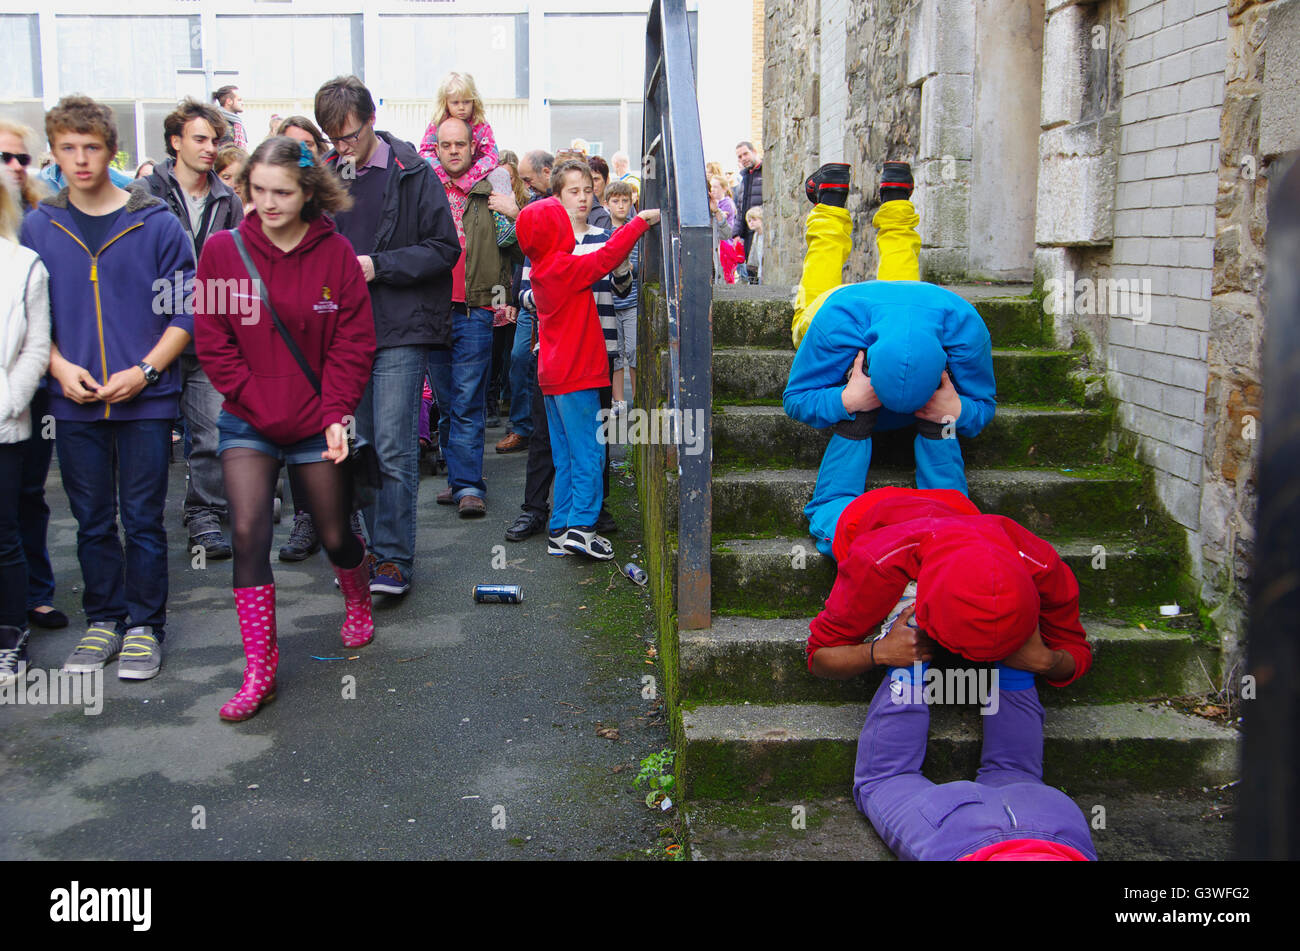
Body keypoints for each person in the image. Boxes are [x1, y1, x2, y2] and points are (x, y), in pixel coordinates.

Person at [195, 136, 375, 722]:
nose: (267, 203)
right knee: (247, 531)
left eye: (282, 193)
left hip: (316, 420)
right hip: (248, 419)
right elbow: (212, 339)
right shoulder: (223, 251)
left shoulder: (336, 254)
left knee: (332, 532)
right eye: (258, 190)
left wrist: (334, 413)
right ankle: (259, 670)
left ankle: (356, 596)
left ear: (308, 194)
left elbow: (354, 341)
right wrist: (253, 400)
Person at [21, 95, 196, 680]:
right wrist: (58, 368)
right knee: (91, 518)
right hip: (71, 404)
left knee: (143, 517)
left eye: (91, 147)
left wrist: (144, 372)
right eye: (68, 148)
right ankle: (104, 618)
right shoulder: (38, 226)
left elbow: (188, 313)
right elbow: (23, 316)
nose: (80, 159)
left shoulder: (157, 223)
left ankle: (146, 625)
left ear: (110, 150)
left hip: (145, 400)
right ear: (53, 153)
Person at [783, 162, 995, 557]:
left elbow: (984, 406)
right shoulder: (834, 323)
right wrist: (846, 402)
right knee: (816, 288)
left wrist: (956, 410)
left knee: (903, 284)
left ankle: (884, 201)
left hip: (915, 315)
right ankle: (831, 205)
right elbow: (795, 398)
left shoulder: (964, 327)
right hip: (841, 314)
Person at [315, 75, 460, 596]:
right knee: (366, 447)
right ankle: (375, 551)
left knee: (397, 448)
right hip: (345, 337)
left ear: (371, 118)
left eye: (350, 135)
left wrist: (379, 266)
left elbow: (444, 249)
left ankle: (394, 560)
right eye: (333, 139)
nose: (343, 147)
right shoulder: (327, 176)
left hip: (400, 328)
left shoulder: (413, 171)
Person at [850, 594, 1097, 861]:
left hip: (1055, 821)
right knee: (886, 779)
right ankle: (1010, 641)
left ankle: (1015, 640)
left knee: (1015, 770)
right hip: (968, 838)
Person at [805, 487, 1091, 683]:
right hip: (865, 512)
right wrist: (877, 652)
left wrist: (1049, 661)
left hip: (957, 508)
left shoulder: (1039, 564)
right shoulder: (876, 563)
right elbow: (819, 656)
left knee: (946, 483)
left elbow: (1076, 648)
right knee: (828, 503)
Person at [514, 183, 657, 560]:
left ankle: (560, 528)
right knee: (591, 452)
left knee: (565, 456)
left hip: (552, 376)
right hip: (578, 374)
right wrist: (640, 221)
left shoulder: (543, 269)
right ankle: (583, 527)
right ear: (555, 232)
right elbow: (608, 256)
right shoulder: (564, 267)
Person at [139, 98, 245, 561]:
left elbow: (243, 268)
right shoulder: (143, 195)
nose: (210, 148)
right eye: (200, 138)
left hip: (209, 336)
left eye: (215, 140)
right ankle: (139, 527)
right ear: (175, 141)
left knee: (210, 433)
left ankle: (203, 514)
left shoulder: (229, 199)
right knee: (145, 438)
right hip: (152, 334)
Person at [427, 116, 521, 518]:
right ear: (437, 147)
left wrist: (516, 212)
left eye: (459, 145)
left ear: (471, 147)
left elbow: (515, 244)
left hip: (476, 307)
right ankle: (457, 479)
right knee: (448, 403)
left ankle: (469, 485)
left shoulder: (490, 188)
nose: (452, 151)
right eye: (445, 144)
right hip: (430, 311)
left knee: (467, 401)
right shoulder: (425, 187)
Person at [0, 120, 64, 632]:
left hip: (36, 378)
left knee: (27, 492)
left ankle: (35, 593)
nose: (17, 167)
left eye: (21, 157)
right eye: (5, 158)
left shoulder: (42, 218)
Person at [0, 170, 52, 684]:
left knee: (6, 531)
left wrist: (7, 403)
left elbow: (37, 344)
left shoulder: (21, 265)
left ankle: (10, 635)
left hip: (6, 421)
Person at [418, 72, 499, 192]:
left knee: (500, 174)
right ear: (445, 102)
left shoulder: (481, 124)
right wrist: (441, 174)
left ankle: (500, 209)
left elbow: (491, 155)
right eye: (455, 103)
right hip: (445, 171)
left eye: (466, 102)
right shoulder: (437, 123)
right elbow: (425, 152)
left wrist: (470, 177)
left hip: (476, 174)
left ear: (474, 101)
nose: (461, 107)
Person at [605, 179, 640, 411]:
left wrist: (628, 269)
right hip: (609, 301)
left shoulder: (634, 231)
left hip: (632, 300)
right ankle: (618, 399)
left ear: (631, 201)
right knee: (614, 351)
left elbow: (638, 264)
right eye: (615, 201)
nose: (620, 205)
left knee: (634, 349)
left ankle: (638, 397)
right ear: (607, 204)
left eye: (624, 201)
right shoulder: (603, 231)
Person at [733, 141, 763, 259]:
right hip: (747, 235)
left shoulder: (766, 172)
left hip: (760, 233)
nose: (743, 158)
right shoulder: (743, 179)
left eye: (746, 154)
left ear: (754, 152)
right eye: (740, 157)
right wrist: (737, 234)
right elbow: (740, 210)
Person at [212, 85, 248, 150]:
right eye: (239, 100)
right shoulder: (217, 122)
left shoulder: (237, 123)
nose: (242, 103)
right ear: (229, 101)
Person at [744, 205, 763, 283]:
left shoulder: (765, 236)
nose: (751, 223)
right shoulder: (756, 236)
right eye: (749, 221)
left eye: (754, 220)